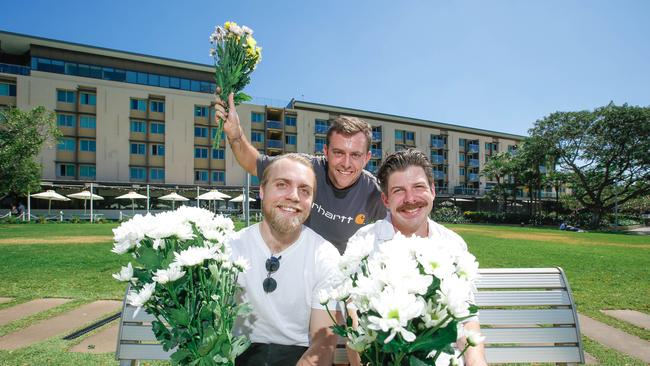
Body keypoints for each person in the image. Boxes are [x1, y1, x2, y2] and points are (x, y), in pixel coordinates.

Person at [346, 149, 487, 366]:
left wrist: (477, 363)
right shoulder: (364, 243)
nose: (410, 199)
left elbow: (466, 317)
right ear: (385, 199)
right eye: (398, 190)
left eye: (418, 187)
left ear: (432, 190)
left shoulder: (452, 244)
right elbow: (355, 318)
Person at [215, 92, 386, 253]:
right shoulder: (304, 167)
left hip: (338, 272)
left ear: (367, 158)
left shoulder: (373, 191)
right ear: (325, 152)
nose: (346, 164)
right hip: (293, 260)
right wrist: (235, 135)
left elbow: (403, 220)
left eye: (355, 155)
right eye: (338, 153)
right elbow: (254, 164)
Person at [228, 153, 341, 366]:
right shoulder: (230, 248)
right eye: (282, 185)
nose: (294, 196)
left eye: (304, 190)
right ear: (262, 190)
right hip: (234, 355)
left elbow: (322, 345)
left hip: (300, 356)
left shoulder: (324, 256)